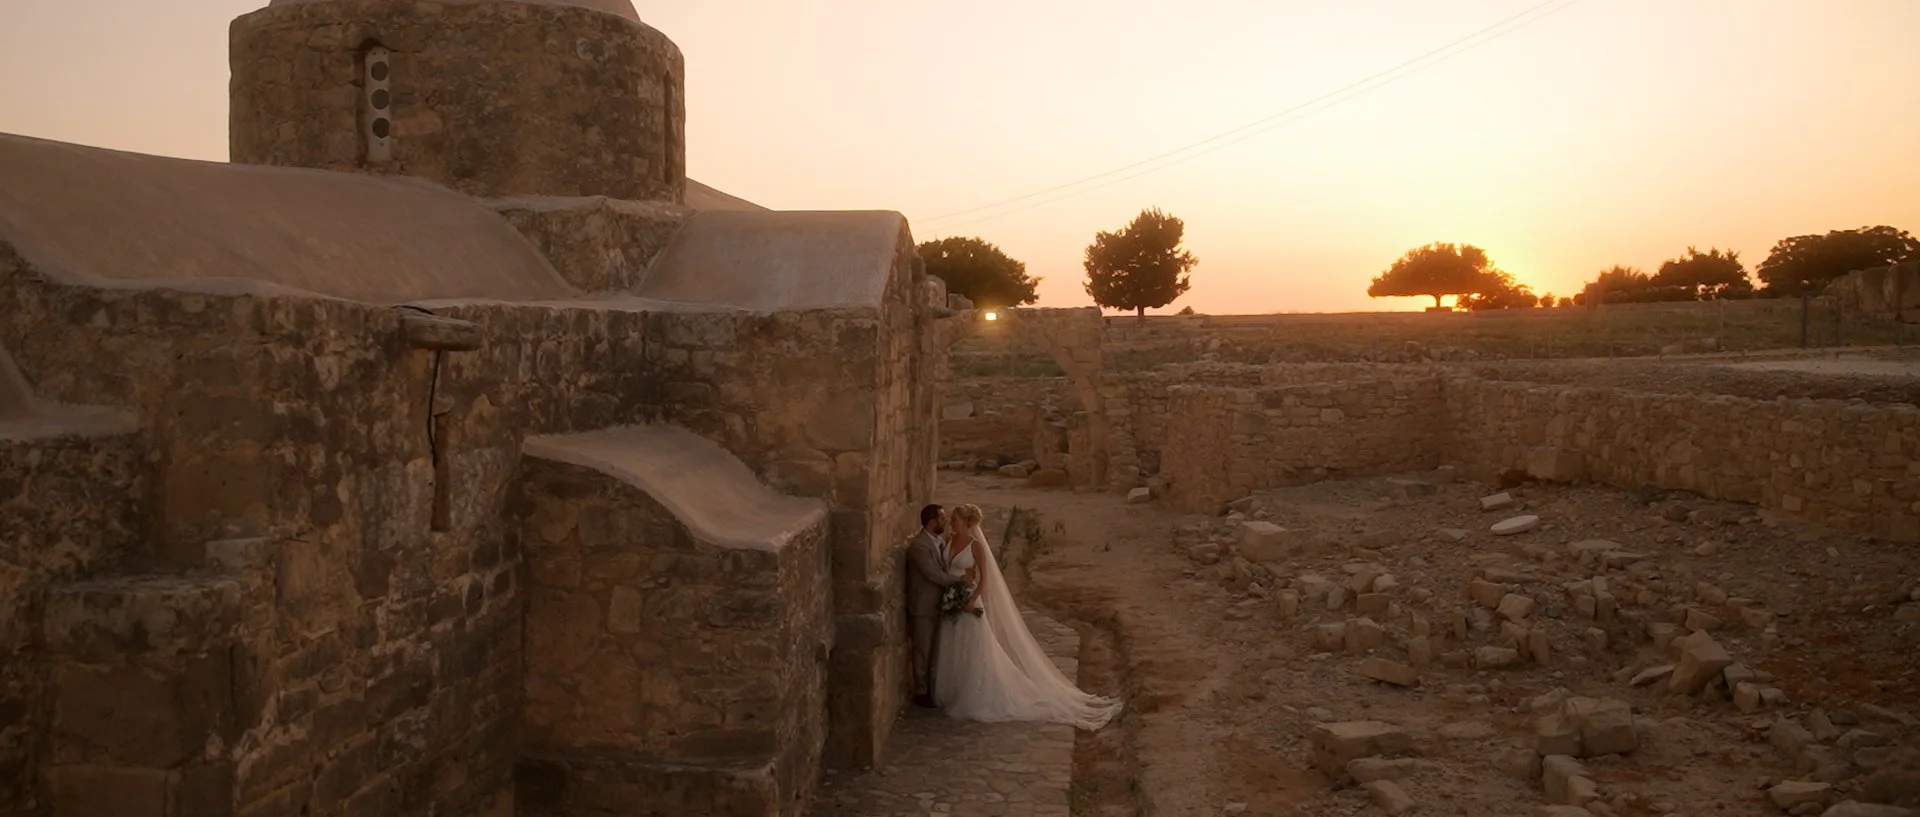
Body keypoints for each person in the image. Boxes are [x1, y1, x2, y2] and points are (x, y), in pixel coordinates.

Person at [933, 503, 1123, 730]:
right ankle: (952, 690)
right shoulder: (948, 540)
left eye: (955, 520)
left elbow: (984, 578)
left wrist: (972, 599)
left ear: (966, 523)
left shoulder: (975, 547)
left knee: (971, 648)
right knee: (952, 646)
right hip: (951, 601)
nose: (952, 523)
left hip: (968, 603)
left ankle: (973, 693)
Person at [905, 503, 966, 708]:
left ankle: (933, 689)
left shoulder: (938, 541)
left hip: (938, 603)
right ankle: (921, 691)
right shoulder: (919, 546)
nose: (945, 521)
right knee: (922, 649)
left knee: (935, 650)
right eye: (941, 518)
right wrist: (960, 580)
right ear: (932, 521)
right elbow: (933, 575)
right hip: (923, 606)